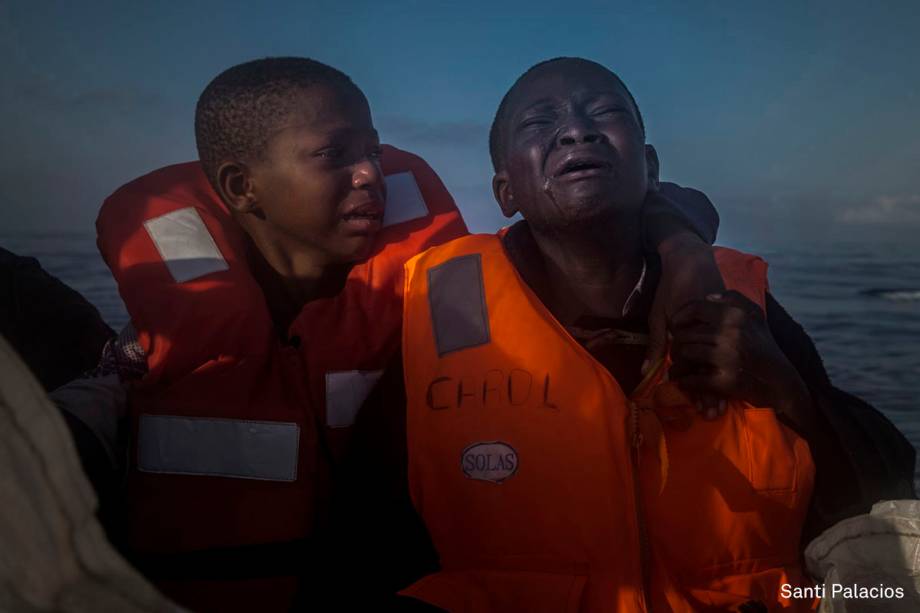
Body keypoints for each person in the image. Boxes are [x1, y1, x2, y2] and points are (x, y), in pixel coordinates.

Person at [52, 57, 725, 613]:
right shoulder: (147, 353)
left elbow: (591, 226)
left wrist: (686, 249)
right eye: (333, 156)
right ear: (242, 187)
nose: (372, 173)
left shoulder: (434, 299)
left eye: (372, 150)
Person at [344, 57, 916, 612]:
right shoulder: (442, 315)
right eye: (541, 123)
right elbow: (367, 539)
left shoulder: (740, 300)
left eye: (603, 112)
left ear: (650, 166)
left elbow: (883, 490)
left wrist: (787, 388)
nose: (576, 131)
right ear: (505, 193)